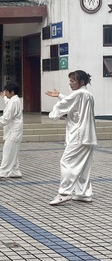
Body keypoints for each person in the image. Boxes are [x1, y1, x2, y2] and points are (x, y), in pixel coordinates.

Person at [46, 70, 97, 206]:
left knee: (67, 162)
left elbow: (64, 105)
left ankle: (64, 193)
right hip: (88, 137)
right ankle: (83, 194)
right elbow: (73, 103)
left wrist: (54, 114)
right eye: (70, 81)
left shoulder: (79, 94)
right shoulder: (87, 95)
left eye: (73, 81)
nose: (70, 83)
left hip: (78, 136)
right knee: (83, 166)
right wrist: (60, 95)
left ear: (81, 82)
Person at [0, 82, 23, 181]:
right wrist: (4, 98)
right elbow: (8, 104)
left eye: (7, 91)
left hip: (14, 131)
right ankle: (15, 171)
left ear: (12, 92)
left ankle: (1, 173)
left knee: (8, 151)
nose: (5, 93)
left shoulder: (14, 101)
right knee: (12, 151)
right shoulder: (14, 100)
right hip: (13, 130)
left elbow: (7, 116)